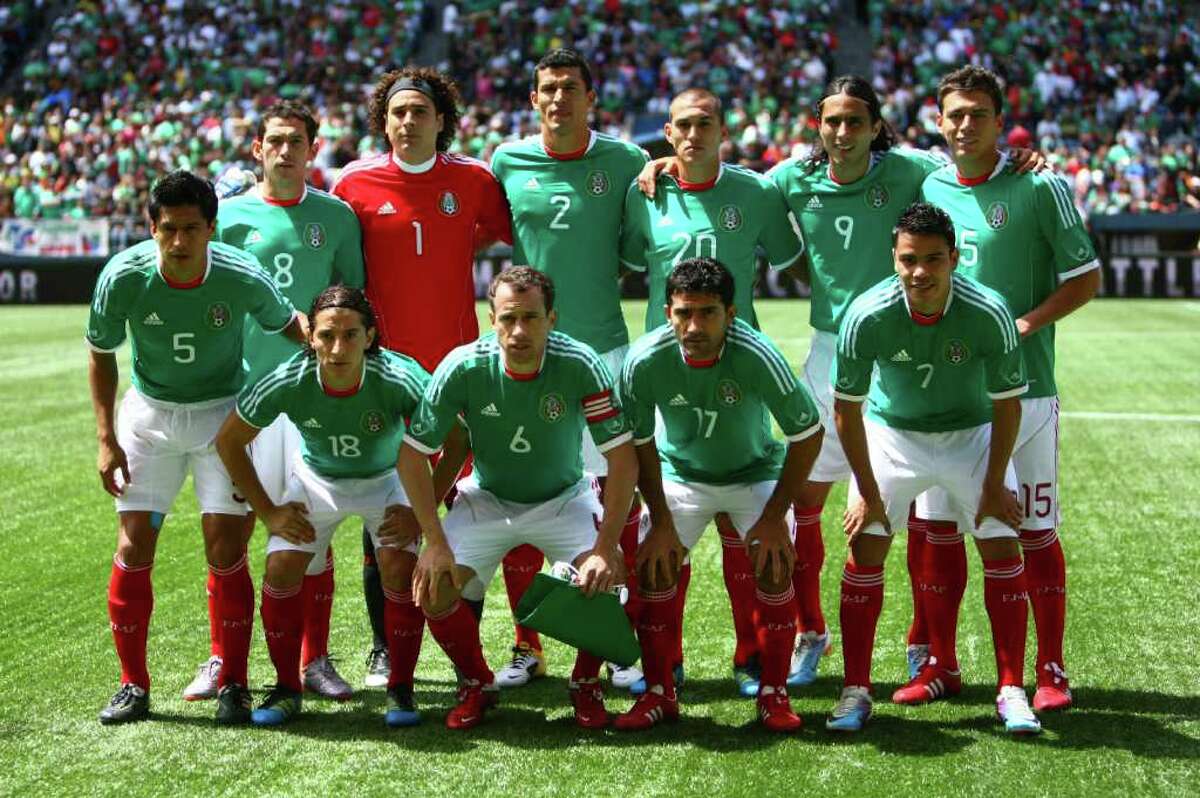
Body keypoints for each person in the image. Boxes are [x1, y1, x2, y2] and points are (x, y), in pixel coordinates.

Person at [914, 65, 1100, 712]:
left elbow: (1085, 278)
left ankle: (1050, 669)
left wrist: (1025, 323)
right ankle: (942, 662)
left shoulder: (1040, 185)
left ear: (1001, 120)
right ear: (939, 121)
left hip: (1026, 389)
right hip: (947, 393)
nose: (965, 125)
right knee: (939, 529)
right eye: (954, 114)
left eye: (978, 114)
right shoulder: (928, 183)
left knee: (1034, 528)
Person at [87, 170, 302, 725]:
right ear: (150, 228)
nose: (178, 242)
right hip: (149, 416)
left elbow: (291, 327)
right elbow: (101, 352)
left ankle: (232, 681)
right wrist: (107, 438)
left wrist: (340, 360)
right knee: (134, 548)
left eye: (190, 229)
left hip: (222, 416)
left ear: (212, 227)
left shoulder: (240, 273)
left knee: (225, 547)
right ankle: (133, 685)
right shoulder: (123, 276)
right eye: (167, 230)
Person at [826, 202, 1040, 736]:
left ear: (954, 259)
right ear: (893, 257)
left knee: (1000, 542)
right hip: (893, 435)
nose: (919, 271)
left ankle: (1012, 690)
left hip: (972, 435)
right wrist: (868, 493)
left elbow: (1008, 405)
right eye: (908, 259)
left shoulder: (988, 311)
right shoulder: (865, 313)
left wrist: (993, 484)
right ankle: (855, 690)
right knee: (867, 541)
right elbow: (846, 412)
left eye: (932, 260)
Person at [176, 101, 365, 703]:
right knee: (224, 534)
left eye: (297, 142)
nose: (286, 151)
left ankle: (315, 660)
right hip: (235, 395)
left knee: (310, 529)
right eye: (275, 141)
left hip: (309, 395)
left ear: (314, 150)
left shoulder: (335, 217)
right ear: (257, 149)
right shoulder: (223, 217)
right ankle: (219, 657)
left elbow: (352, 300)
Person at [620, 86, 804, 695]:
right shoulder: (645, 193)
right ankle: (663, 662)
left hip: (736, 364)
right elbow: (623, 259)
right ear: (667, 135)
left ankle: (751, 652)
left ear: (723, 129)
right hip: (663, 366)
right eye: (681, 126)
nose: (693, 135)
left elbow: (796, 261)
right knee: (669, 512)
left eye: (705, 124)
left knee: (737, 514)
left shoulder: (755, 192)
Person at [333, 66, 512, 686]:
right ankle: (385, 647)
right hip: (382, 375)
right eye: (397, 112)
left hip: (458, 373)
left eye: (420, 112)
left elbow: (521, 229)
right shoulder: (353, 184)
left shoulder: (474, 181)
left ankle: (471, 650)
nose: (408, 122)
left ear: (442, 120)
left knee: (462, 506)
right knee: (382, 516)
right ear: (384, 121)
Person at [398, 268, 637, 730]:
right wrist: (433, 540)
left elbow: (623, 459)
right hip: (488, 497)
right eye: (508, 318)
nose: (519, 331)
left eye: (531, 318)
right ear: (492, 318)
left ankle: (585, 684)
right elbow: (412, 455)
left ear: (553, 318)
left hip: (563, 497)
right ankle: (476, 683)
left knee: (609, 574)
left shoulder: (580, 362)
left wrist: (606, 548)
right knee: (433, 586)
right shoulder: (463, 366)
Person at [215, 286, 462, 727]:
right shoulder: (287, 378)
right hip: (317, 480)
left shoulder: (399, 377)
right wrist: (270, 512)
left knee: (396, 564)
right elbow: (229, 441)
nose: (337, 347)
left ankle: (400, 689)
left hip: (387, 479)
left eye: (351, 335)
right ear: (310, 337)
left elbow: (460, 436)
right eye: (327, 335)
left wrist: (423, 506)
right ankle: (287, 688)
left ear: (370, 337)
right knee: (281, 568)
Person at [489, 48, 650, 690]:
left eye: (570, 88)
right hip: (526, 357)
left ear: (592, 97)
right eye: (548, 89)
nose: (559, 99)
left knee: (614, 496)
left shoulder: (626, 161)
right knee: (524, 491)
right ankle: (528, 643)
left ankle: (611, 638)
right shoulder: (506, 160)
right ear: (534, 100)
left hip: (603, 352)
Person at [615, 258, 822, 732]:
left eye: (708, 313)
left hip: (753, 473)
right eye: (684, 313)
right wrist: (661, 520)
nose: (694, 326)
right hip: (682, 475)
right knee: (654, 565)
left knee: (773, 563)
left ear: (731, 314)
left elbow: (808, 433)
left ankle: (774, 693)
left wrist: (774, 517)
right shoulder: (644, 360)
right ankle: (659, 692)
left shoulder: (756, 354)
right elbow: (639, 443)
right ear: (667, 311)